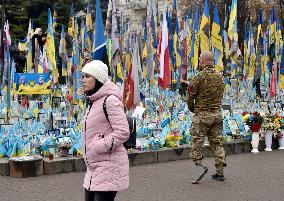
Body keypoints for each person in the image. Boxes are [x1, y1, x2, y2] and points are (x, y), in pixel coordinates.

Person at [81, 60, 130, 201]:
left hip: (109, 165)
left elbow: (123, 131)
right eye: (83, 76)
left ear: (97, 79)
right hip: (94, 168)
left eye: (87, 76)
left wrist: (97, 146)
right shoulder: (93, 101)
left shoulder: (110, 101)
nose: (83, 80)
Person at [187, 51, 227, 181]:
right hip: (217, 116)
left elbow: (190, 97)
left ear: (202, 62)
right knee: (217, 143)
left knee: (196, 143)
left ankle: (200, 165)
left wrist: (193, 109)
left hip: (202, 117)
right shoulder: (220, 76)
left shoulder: (199, 77)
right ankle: (220, 172)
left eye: (200, 61)